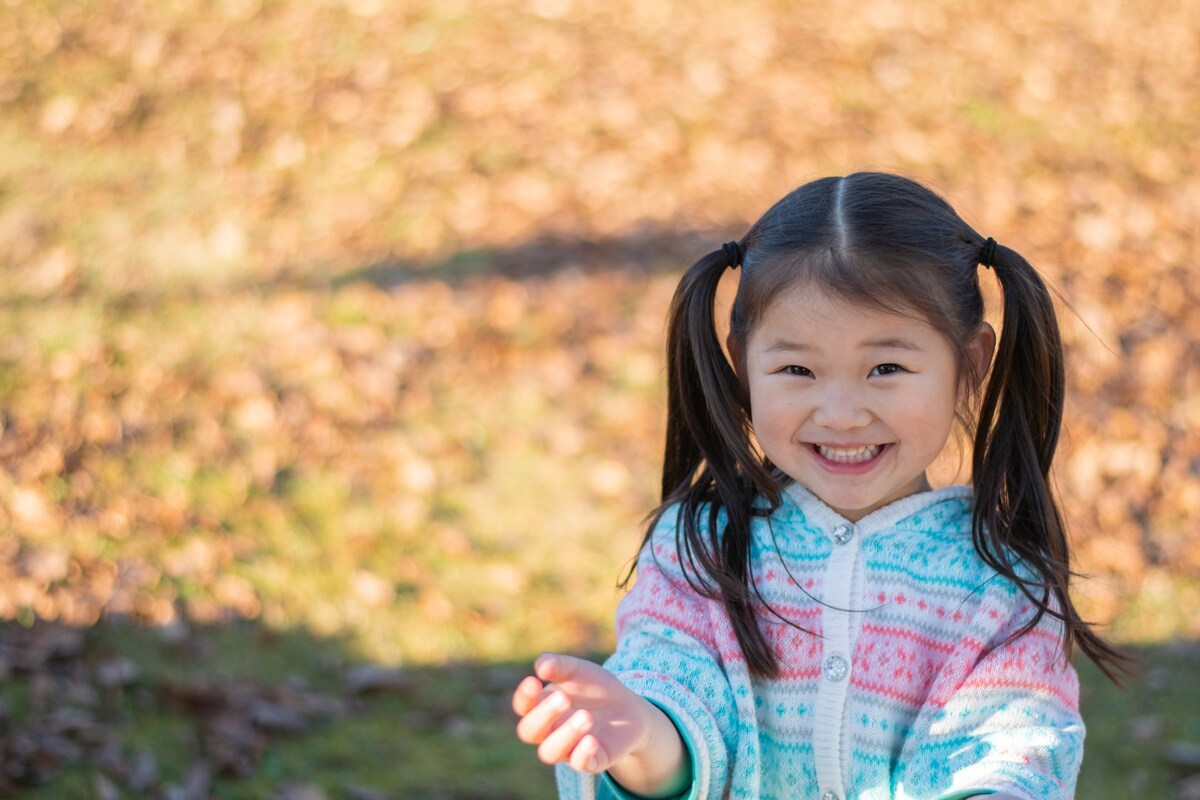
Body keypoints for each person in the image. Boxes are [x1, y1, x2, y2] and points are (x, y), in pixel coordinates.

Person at [511, 172, 1129, 800]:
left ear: (970, 362)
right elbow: (676, 695)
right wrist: (641, 735)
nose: (839, 413)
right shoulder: (699, 546)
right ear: (742, 365)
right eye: (797, 369)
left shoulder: (1001, 583)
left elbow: (1009, 749)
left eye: (886, 368)